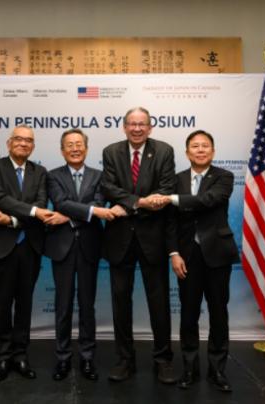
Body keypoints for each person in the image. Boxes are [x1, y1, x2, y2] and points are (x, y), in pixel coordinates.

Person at [101, 107, 177, 384]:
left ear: (150, 127)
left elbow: (166, 189)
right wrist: (141, 202)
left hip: (153, 238)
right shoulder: (111, 152)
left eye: (142, 124)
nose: (136, 129)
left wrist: (132, 204)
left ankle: (163, 360)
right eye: (132, 124)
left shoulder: (164, 151)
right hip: (120, 238)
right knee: (120, 302)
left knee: (159, 303)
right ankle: (125, 360)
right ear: (124, 127)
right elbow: (109, 188)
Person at [44, 129, 120, 381]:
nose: (75, 148)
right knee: (63, 305)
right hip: (62, 247)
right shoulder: (53, 175)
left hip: (89, 246)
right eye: (70, 145)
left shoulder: (100, 176)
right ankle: (63, 358)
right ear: (62, 150)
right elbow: (61, 202)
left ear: (86, 149)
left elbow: (98, 204)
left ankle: (87, 358)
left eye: (79, 144)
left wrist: (68, 217)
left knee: (87, 305)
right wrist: (85, 212)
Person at [0, 124, 55, 382]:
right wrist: (31, 213)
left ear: (33, 146)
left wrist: (13, 220)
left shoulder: (40, 172)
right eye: (19, 139)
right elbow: (0, 199)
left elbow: (41, 204)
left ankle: (20, 354)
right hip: (2, 247)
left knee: (25, 303)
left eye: (29, 140)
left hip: (30, 246)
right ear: (9, 142)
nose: (24, 144)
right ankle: (3, 356)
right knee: (2, 303)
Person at [168, 130, 240, 393]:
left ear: (213, 151)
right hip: (187, 256)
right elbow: (170, 221)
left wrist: (174, 200)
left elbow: (210, 200)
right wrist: (174, 253)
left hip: (217, 253)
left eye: (205, 146)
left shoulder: (224, 176)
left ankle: (217, 370)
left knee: (219, 312)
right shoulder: (175, 180)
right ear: (187, 152)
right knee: (188, 314)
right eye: (195, 146)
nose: (200, 150)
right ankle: (189, 368)